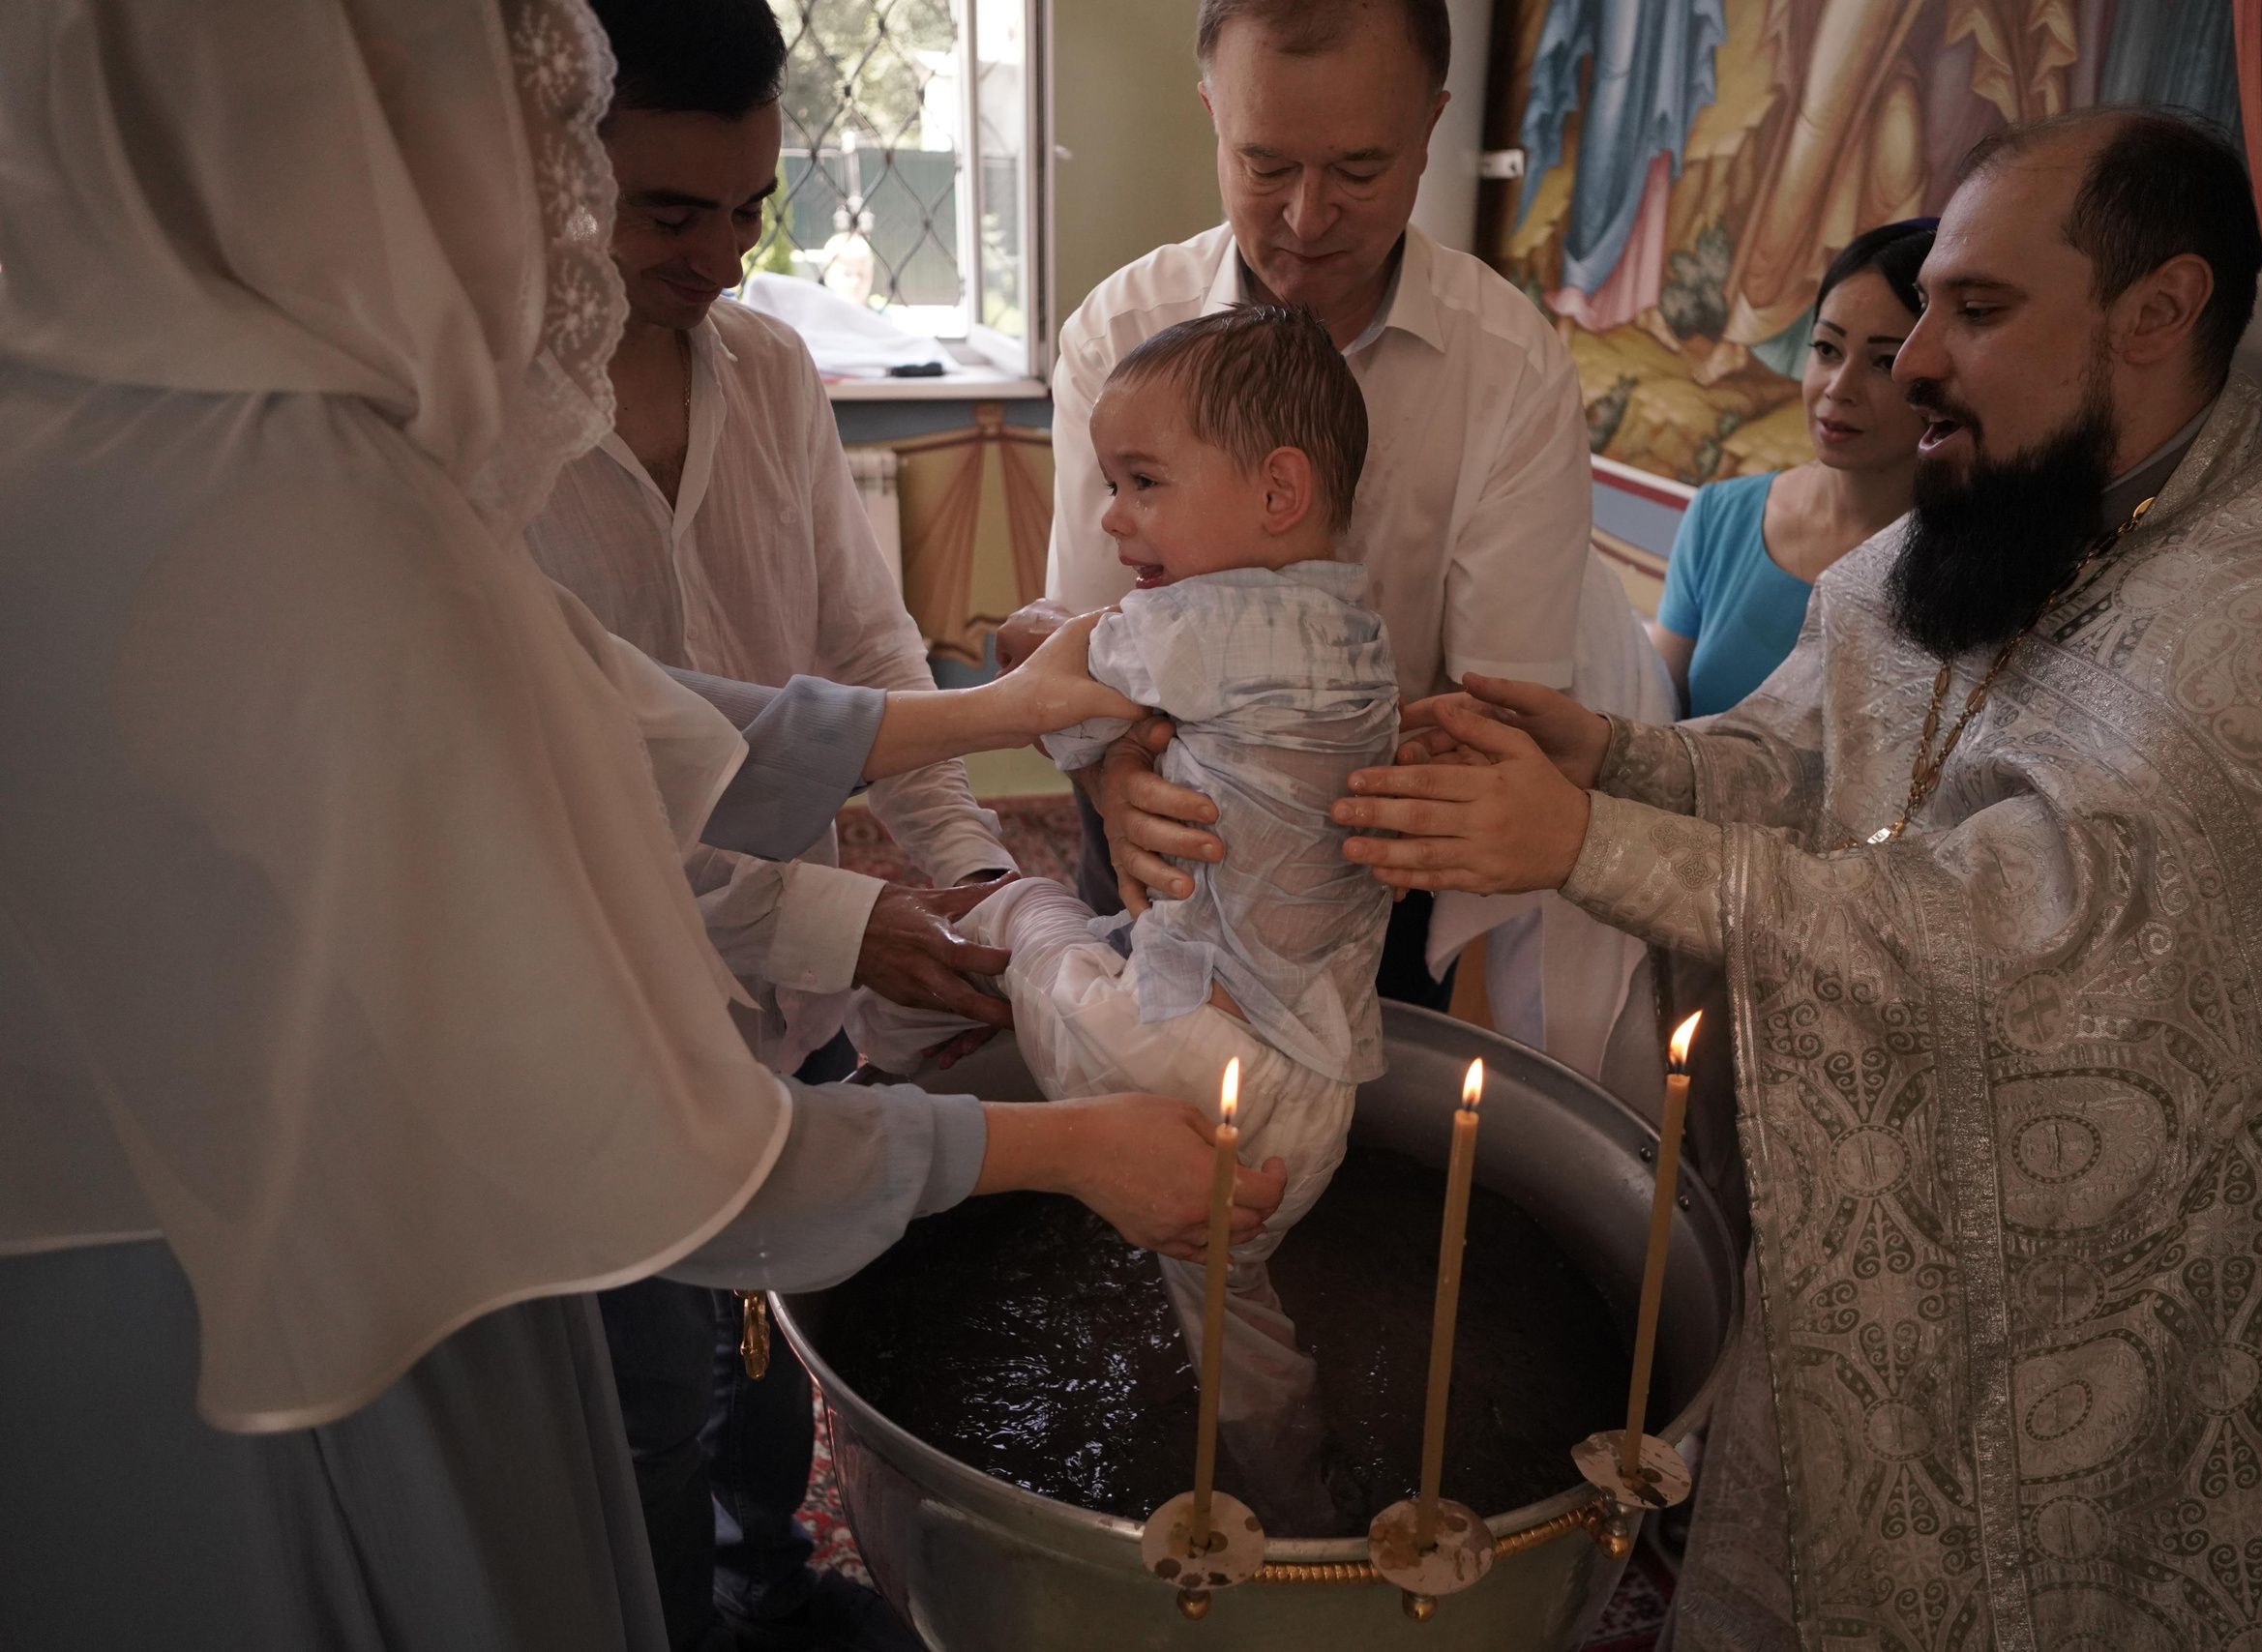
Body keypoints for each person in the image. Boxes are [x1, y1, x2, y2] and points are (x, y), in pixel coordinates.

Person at [0, 5, 1285, 1649]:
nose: (711, 263)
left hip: (179, 1250)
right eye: (637, 202)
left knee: (723, 1409)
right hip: (302, 1299)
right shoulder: (318, 511)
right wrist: (1070, 1144)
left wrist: (988, 725)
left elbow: (634, 722)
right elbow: (668, 1141)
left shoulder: (139, 434)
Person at [1333, 107, 2262, 1647]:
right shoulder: (1988, 521)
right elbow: (1812, 769)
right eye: (1925, 298)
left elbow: (2040, 944)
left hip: (2120, 1338)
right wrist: (1615, 758)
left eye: (1976, 311)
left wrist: (1590, 846)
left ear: (2160, 311)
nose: (1915, 358)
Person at [523, 5, 1007, 1644]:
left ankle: (775, 1578)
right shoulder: (481, 439)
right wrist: (849, 919)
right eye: (672, 212)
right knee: (648, 1395)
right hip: (599, 1022)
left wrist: (987, 878)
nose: (722, 259)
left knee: (784, 1333)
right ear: (551, 169)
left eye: (751, 209)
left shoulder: (778, 373)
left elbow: (867, 662)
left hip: (787, 993)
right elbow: (570, 809)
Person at [852, 308, 1394, 1533]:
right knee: (1232, 1319)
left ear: (1277, 491)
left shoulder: (1196, 627)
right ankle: (1302, 1504)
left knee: (1021, 904)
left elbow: (1030, 663)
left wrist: (1071, 665)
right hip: (1312, 1104)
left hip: (1187, 1065)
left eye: (1142, 484)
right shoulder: (1363, 635)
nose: (1111, 519)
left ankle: (882, 1068)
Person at [1001, 0, 1593, 1015]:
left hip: (1377, 866)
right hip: (1155, 831)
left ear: (1431, 128)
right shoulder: (1124, 330)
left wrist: (1318, 797)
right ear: (1210, 116)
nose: (1306, 218)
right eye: (1264, 165)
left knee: (1358, 1125)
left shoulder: (1509, 370)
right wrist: (1115, 788)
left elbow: (1501, 710)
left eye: (1359, 171)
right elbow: (1081, 649)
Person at [1652, 219, 1934, 718]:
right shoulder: (1721, 515)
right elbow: (1654, 710)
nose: (1838, 388)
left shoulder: (1960, 561)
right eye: (1827, 349)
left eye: (1883, 362)